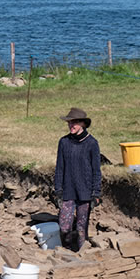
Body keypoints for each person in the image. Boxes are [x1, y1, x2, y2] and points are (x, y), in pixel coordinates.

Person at [54, 107, 102, 252]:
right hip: (68, 190)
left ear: (83, 124)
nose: (71, 126)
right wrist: (58, 190)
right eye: (69, 123)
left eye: (74, 123)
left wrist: (96, 193)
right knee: (64, 226)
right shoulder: (64, 142)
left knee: (82, 228)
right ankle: (66, 251)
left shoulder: (92, 143)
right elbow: (59, 168)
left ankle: (82, 253)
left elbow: (96, 171)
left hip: (85, 192)